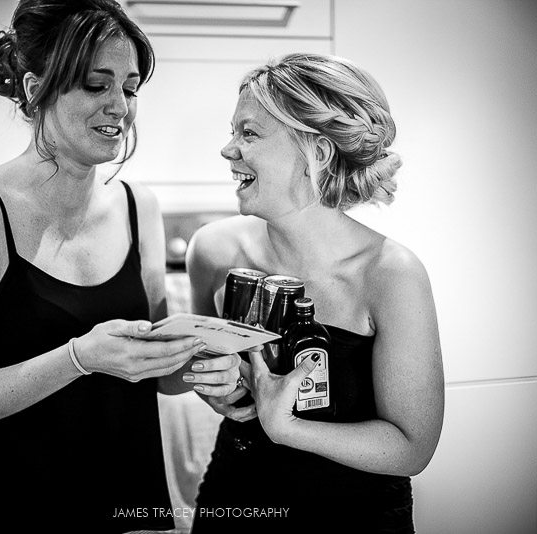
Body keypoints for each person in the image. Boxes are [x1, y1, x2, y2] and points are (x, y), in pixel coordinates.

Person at [0, 1, 240, 532]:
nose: (121, 107)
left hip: (122, 508)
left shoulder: (140, 207)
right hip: (6, 513)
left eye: (130, 88)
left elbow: (152, 369)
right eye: (97, 84)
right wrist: (78, 358)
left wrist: (211, 367)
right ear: (35, 86)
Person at [187, 53, 444, 533]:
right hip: (233, 502)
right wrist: (218, 388)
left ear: (318, 153)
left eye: (249, 133)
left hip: (354, 516)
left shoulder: (390, 275)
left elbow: (412, 447)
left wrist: (287, 429)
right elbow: (210, 375)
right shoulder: (214, 251)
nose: (227, 150)